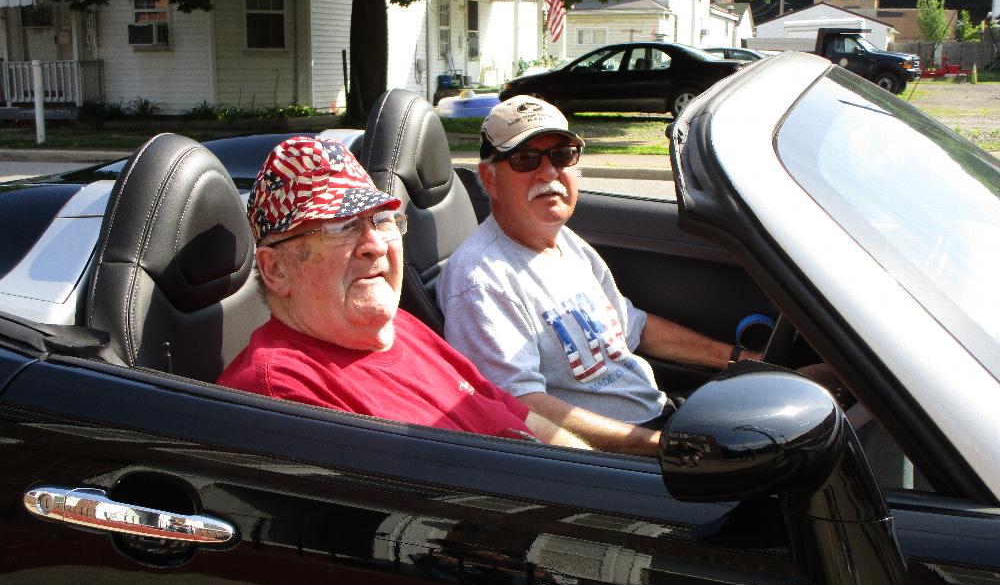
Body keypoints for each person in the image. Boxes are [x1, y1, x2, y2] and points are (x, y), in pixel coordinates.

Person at [437, 96, 759, 456]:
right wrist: (665, 448)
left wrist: (744, 360)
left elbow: (632, 327)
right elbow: (521, 406)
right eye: (525, 159)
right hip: (614, 456)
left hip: (659, 417)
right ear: (490, 179)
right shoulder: (480, 280)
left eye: (562, 155)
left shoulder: (564, 241)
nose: (548, 172)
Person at [218, 136, 587, 449]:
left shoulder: (401, 328)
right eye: (341, 226)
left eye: (382, 219)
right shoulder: (282, 394)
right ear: (276, 269)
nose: (375, 244)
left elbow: (517, 414)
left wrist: (601, 468)